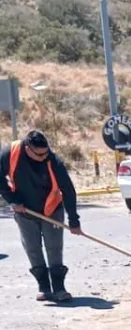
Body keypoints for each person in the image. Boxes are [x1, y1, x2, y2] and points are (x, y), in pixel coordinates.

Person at [0, 129, 81, 302]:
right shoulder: (10, 153)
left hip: (51, 209)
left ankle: (59, 288)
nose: (44, 157)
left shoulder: (52, 159)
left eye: (46, 153)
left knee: (54, 247)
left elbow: (68, 189)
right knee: (32, 248)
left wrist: (74, 220)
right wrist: (12, 200)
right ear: (28, 148)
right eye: (39, 154)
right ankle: (44, 288)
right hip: (24, 210)